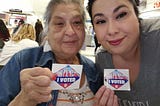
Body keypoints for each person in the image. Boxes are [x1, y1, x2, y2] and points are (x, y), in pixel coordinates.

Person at [0, 0, 103, 106]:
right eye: (59, 23)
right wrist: (23, 100)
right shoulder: (24, 61)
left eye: (77, 22)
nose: (70, 31)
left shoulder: (93, 70)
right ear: (47, 30)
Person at [87, 0, 160, 105]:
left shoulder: (157, 40)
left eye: (121, 15)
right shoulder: (102, 59)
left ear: (137, 14)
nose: (111, 30)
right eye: (101, 21)